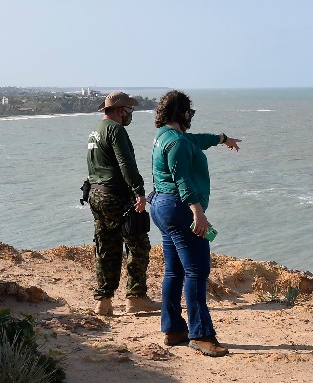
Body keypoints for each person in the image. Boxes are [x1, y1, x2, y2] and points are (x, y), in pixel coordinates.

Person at [148, 90, 241, 356]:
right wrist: (198, 213)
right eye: (190, 112)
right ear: (182, 113)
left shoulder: (165, 136)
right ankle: (200, 335)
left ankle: (174, 329)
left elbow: (197, 140)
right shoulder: (177, 143)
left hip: (162, 206)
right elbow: (183, 181)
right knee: (197, 270)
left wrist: (222, 139)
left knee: (174, 271)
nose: (191, 116)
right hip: (179, 208)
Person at [86, 91, 159, 317]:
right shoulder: (116, 130)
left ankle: (104, 301)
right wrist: (139, 192)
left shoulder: (95, 131)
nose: (130, 113)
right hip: (116, 196)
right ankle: (135, 298)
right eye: (129, 109)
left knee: (106, 247)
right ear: (120, 110)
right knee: (138, 244)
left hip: (96, 194)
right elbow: (125, 163)